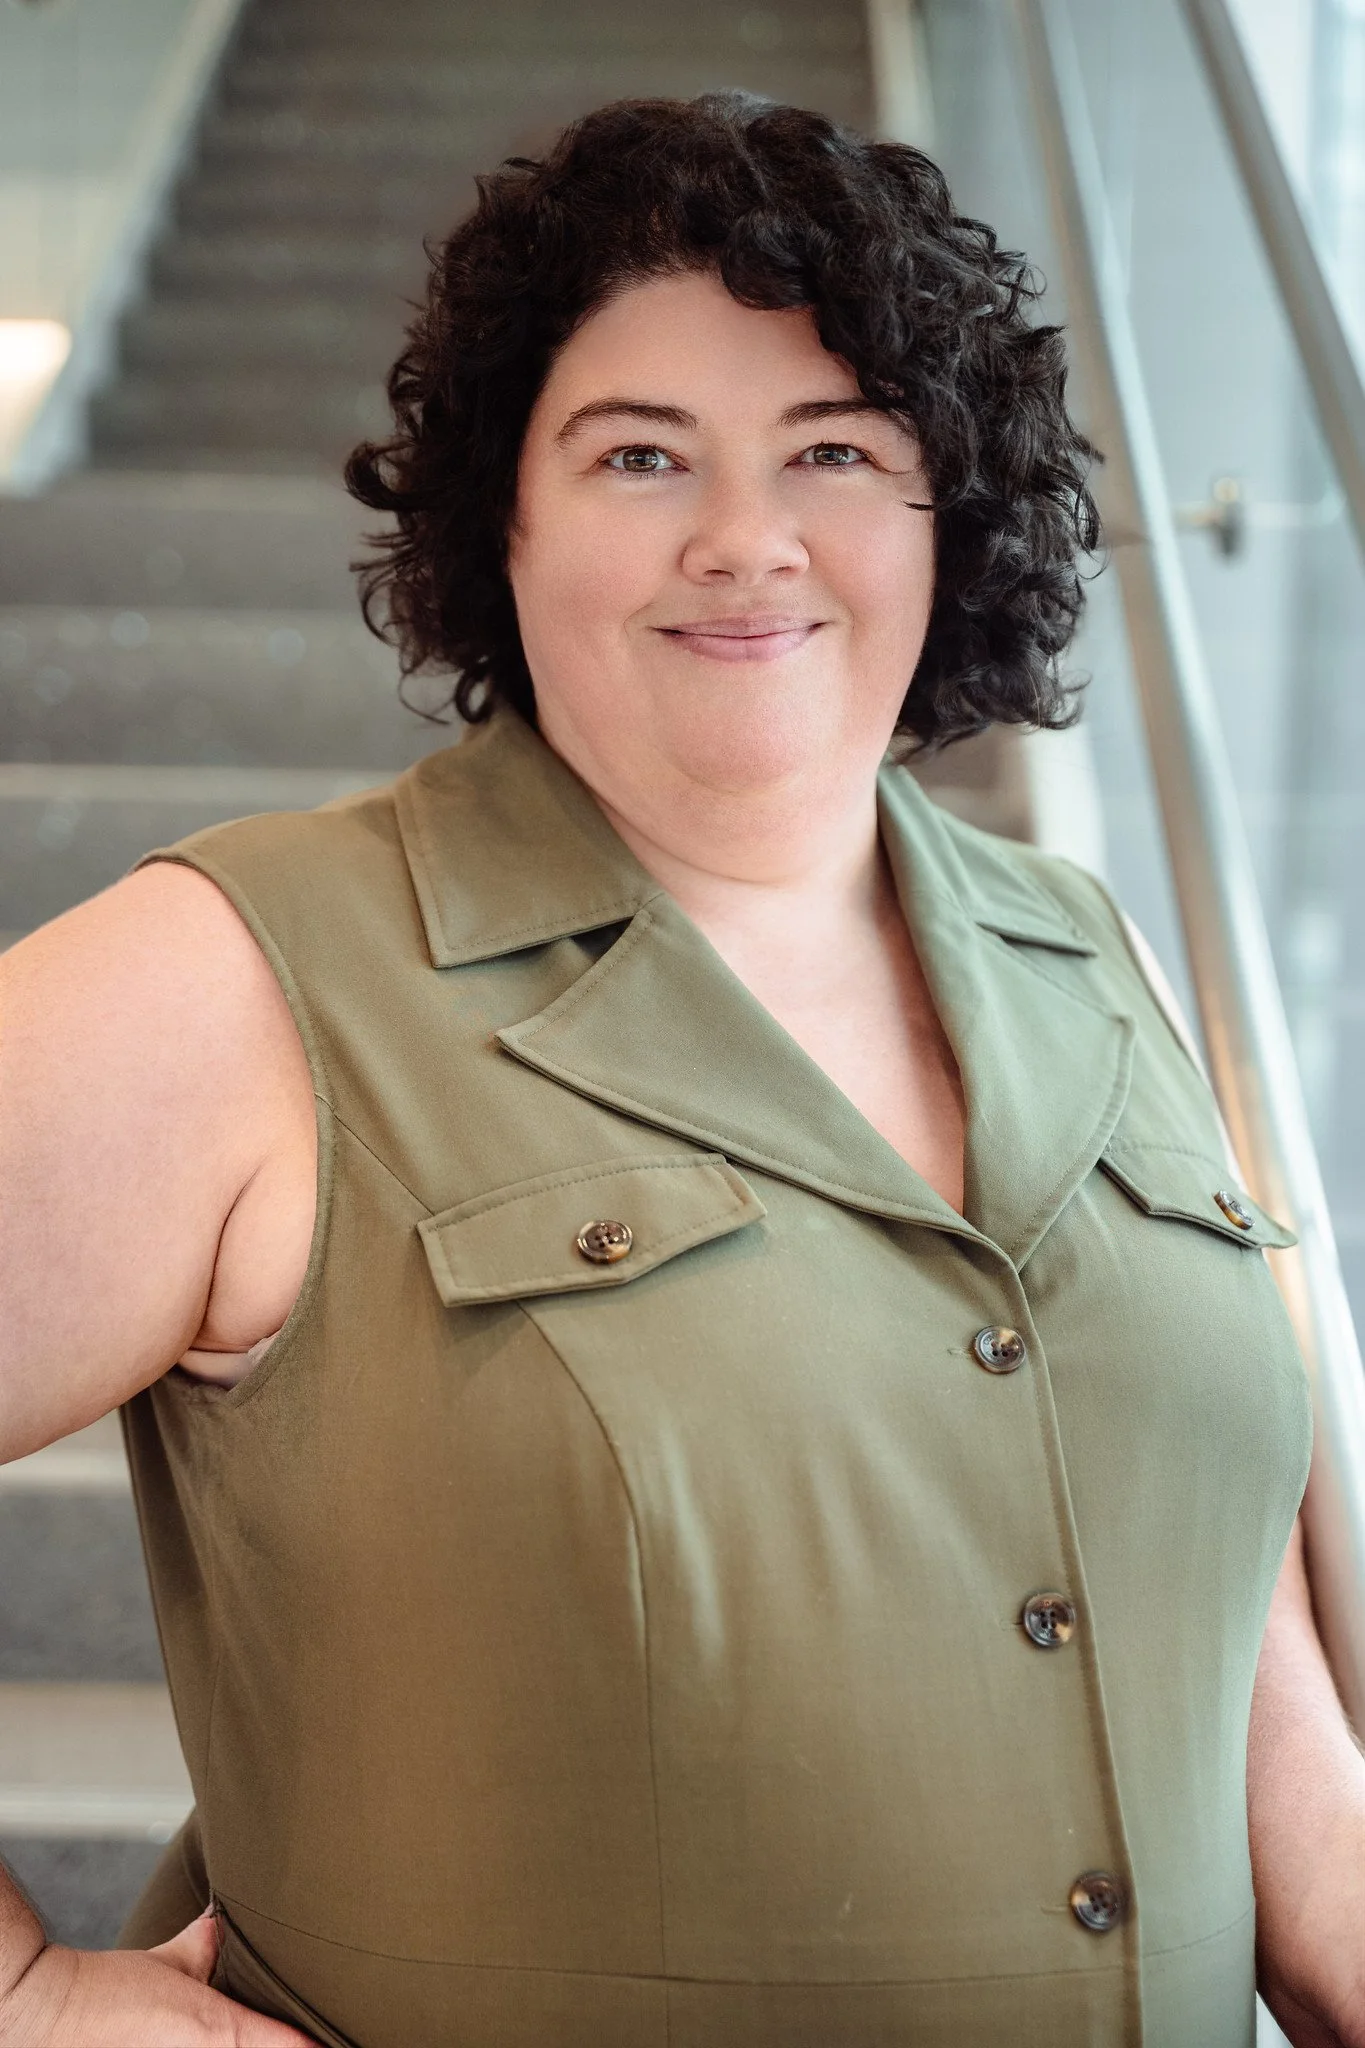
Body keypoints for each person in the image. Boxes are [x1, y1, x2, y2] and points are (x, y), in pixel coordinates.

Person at [1, 91, 1362, 2048]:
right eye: (640, 453)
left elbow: (1238, 1673)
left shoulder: (1100, 956)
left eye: (832, 450)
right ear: (505, 514)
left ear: (941, 511)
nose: (746, 539)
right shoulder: (252, 977)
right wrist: (36, 2001)